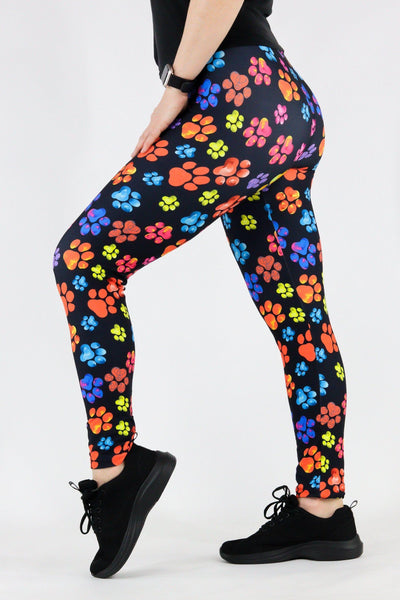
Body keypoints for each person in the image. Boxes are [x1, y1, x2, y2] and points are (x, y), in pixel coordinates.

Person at [52, 0, 363, 578]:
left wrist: (176, 88)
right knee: (301, 320)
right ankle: (323, 509)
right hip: (284, 103)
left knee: (84, 260)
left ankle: (116, 471)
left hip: (233, 100)